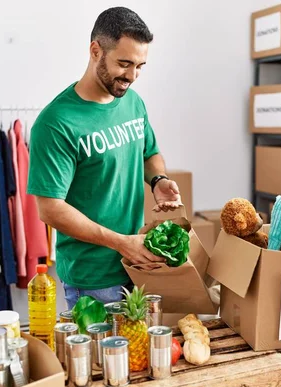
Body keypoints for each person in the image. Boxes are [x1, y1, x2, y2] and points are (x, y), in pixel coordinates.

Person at [27, 7, 182, 311]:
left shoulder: (132, 102)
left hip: (138, 264)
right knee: (102, 359)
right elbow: (50, 210)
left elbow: (149, 152)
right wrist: (120, 242)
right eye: (124, 64)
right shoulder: (55, 123)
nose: (132, 76)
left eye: (140, 66)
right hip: (94, 279)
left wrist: (158, 180)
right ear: (95, 51)